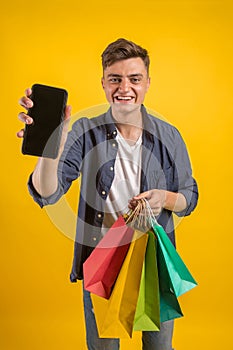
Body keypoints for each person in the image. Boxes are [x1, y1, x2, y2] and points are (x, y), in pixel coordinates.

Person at [17, 38, 198, 350]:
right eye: (115, 79)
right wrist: (49, 151)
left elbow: (189, 196)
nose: (124, 87)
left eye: (134, 79)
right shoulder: (84, 131)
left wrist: (163, 199)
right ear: (103, 83)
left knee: (159, 347)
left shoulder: (169, 135)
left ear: (147, 83)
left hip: (153, 263)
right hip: (101, 260)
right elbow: (49, 192)